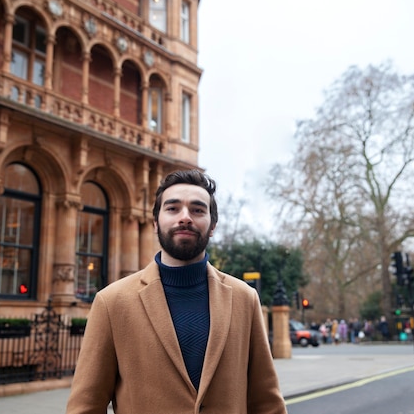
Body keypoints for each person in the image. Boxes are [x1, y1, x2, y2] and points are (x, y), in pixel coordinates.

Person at [66, 169, 286, 414]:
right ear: (155, 223)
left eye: (197, 210)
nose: (185, 217)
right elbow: (85, 406)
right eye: (172, 209)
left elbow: (267, 403)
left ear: (212, 225)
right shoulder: (112, 302)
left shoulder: (245, 298)